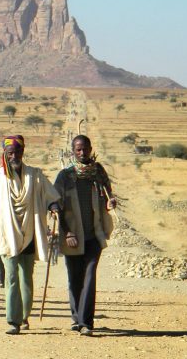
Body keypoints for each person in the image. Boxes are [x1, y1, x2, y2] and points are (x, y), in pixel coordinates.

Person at [0, 135, 61, 334]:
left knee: (26, 277)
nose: (14, 156)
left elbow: (49, 195)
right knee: (10, 277)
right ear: (5, 154)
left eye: (17, 152)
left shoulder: (35, 175)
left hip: (30, 232)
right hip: (7, 234)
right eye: (10, 153)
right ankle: (13, 321)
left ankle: (25, 316)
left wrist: (54, 208)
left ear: (23, 152)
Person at [54, 135, 116, 336]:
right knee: (75, 278)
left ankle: (86, 322)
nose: (82, 153)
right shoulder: (65, 175)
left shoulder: (98, 172)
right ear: (73, 151)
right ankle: (76, 317)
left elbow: (108, 196)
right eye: (78, 150)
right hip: (72, 235)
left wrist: (110, 203)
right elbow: (57, 206)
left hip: (94, 235)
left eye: (85, 149)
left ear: (90, 149)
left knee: (89, 277)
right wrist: (67, 232)